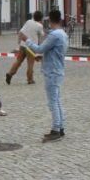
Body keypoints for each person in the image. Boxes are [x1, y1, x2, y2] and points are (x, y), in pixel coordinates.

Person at [21, 9, 68, 142]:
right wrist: (43, 57)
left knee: (53, 102)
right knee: (57, 100)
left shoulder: (54, 35)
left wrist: (26, 40)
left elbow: (39, 48)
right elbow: (52, 52)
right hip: (57, 69)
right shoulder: (63, 34)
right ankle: (60, 127)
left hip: (52, 72)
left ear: (50, 20)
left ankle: (55, 130)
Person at [6, 10, 44, 85]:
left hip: (23, 45)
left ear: (33, 16)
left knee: (18, 61)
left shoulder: (28, 21)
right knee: (30, 63)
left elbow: (21, 31)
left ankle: (10, 73)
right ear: (41, 18)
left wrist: (19, 40)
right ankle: (30, 79)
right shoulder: (39, 26)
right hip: (31, 47)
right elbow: (42, 35)